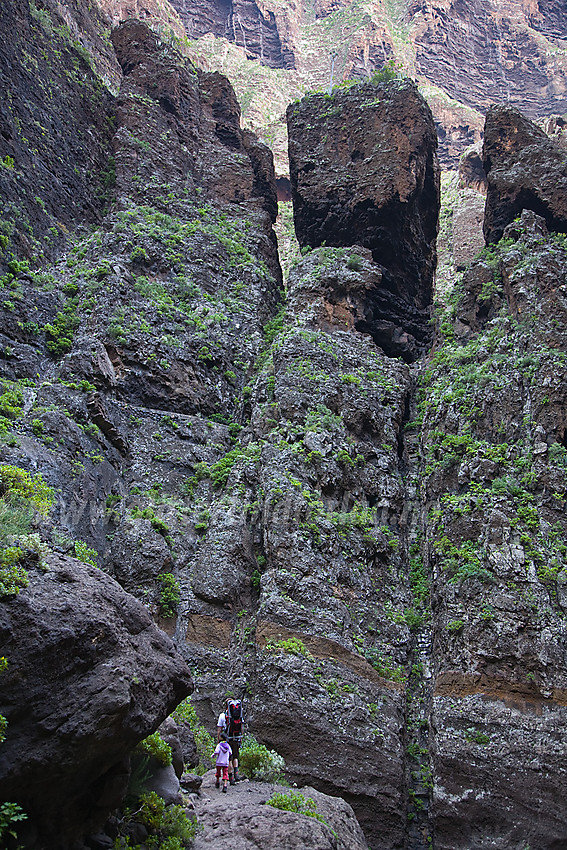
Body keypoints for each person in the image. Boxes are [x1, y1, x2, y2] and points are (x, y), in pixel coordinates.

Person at [217, 698, 244, 784]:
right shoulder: (239, 715)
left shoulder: (222, 716)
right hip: (236, 737)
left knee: (229, 759)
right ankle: (236, 774)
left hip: (227, 739)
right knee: (235, 757)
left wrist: (219, 740)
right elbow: (242, 727)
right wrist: (241, 738)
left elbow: (219, 729)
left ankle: (231, 778)